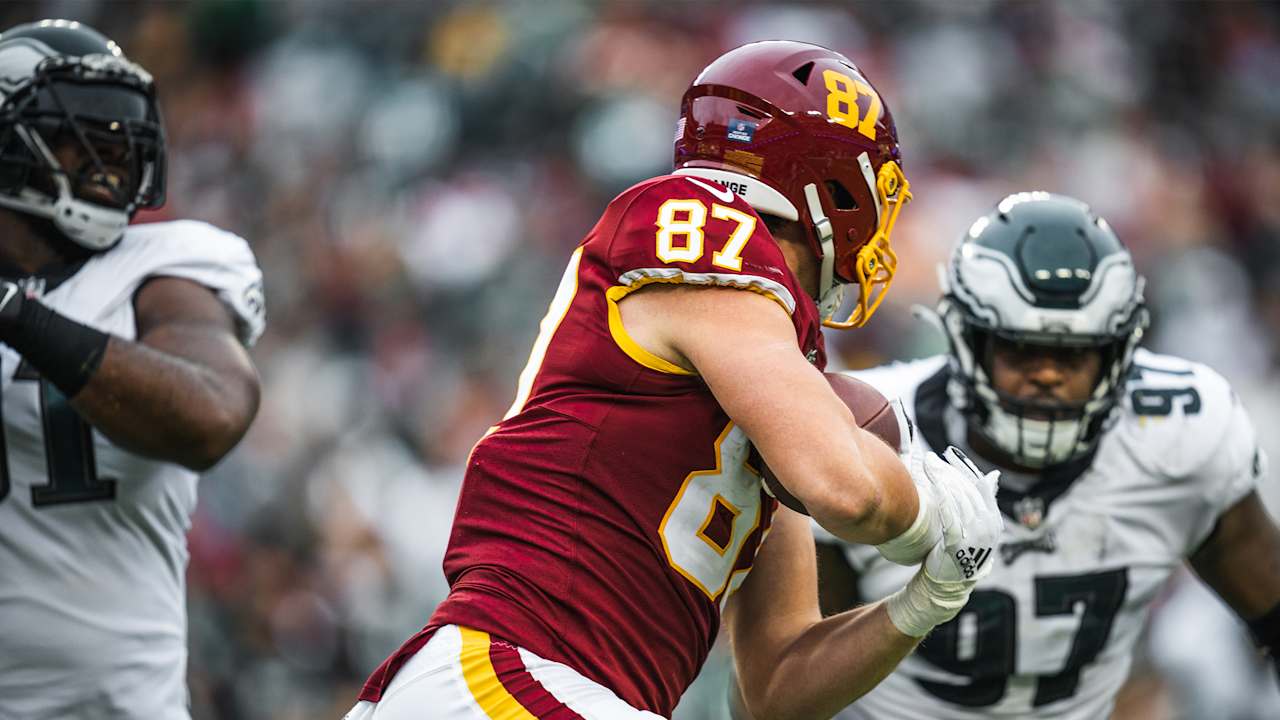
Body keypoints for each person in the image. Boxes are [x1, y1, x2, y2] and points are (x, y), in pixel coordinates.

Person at [349, 40, 1003, 720]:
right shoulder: (696, 225)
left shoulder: (769, 374)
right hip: (518, 668)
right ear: (830, 188)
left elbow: (777, 684)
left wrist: (925, 602)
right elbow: (848, 491)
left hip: (534, 689)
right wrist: (932, 504)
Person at [806, 192, 1280, 719]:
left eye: (1074, 353)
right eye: (1020, 348)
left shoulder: (1179, 430)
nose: (1048, 373)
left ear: (1117, 353)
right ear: (968, 341)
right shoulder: (871, 434)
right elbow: (792, 675)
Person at [0, 19, 265, 720]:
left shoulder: (163, 267)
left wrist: (15, 314)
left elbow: (209, 417)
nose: (112, 156)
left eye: (122, 136)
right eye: (80, 132)